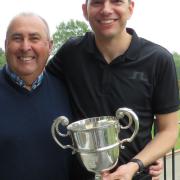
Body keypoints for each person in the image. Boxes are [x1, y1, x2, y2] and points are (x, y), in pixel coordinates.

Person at [46, 0, 179, 180]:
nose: (106, 10)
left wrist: (138, 163)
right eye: (97, 2)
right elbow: (38, 85)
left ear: (130, 8)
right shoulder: (71, 53)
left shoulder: (158, 60)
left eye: (116, 1)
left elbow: (168, 130)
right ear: (85, 11)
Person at [0, 12, 74, 180]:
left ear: (50, 46)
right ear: (6, 45)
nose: (25, 47)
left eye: (34, 38)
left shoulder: (68, 89)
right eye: (17, 38)